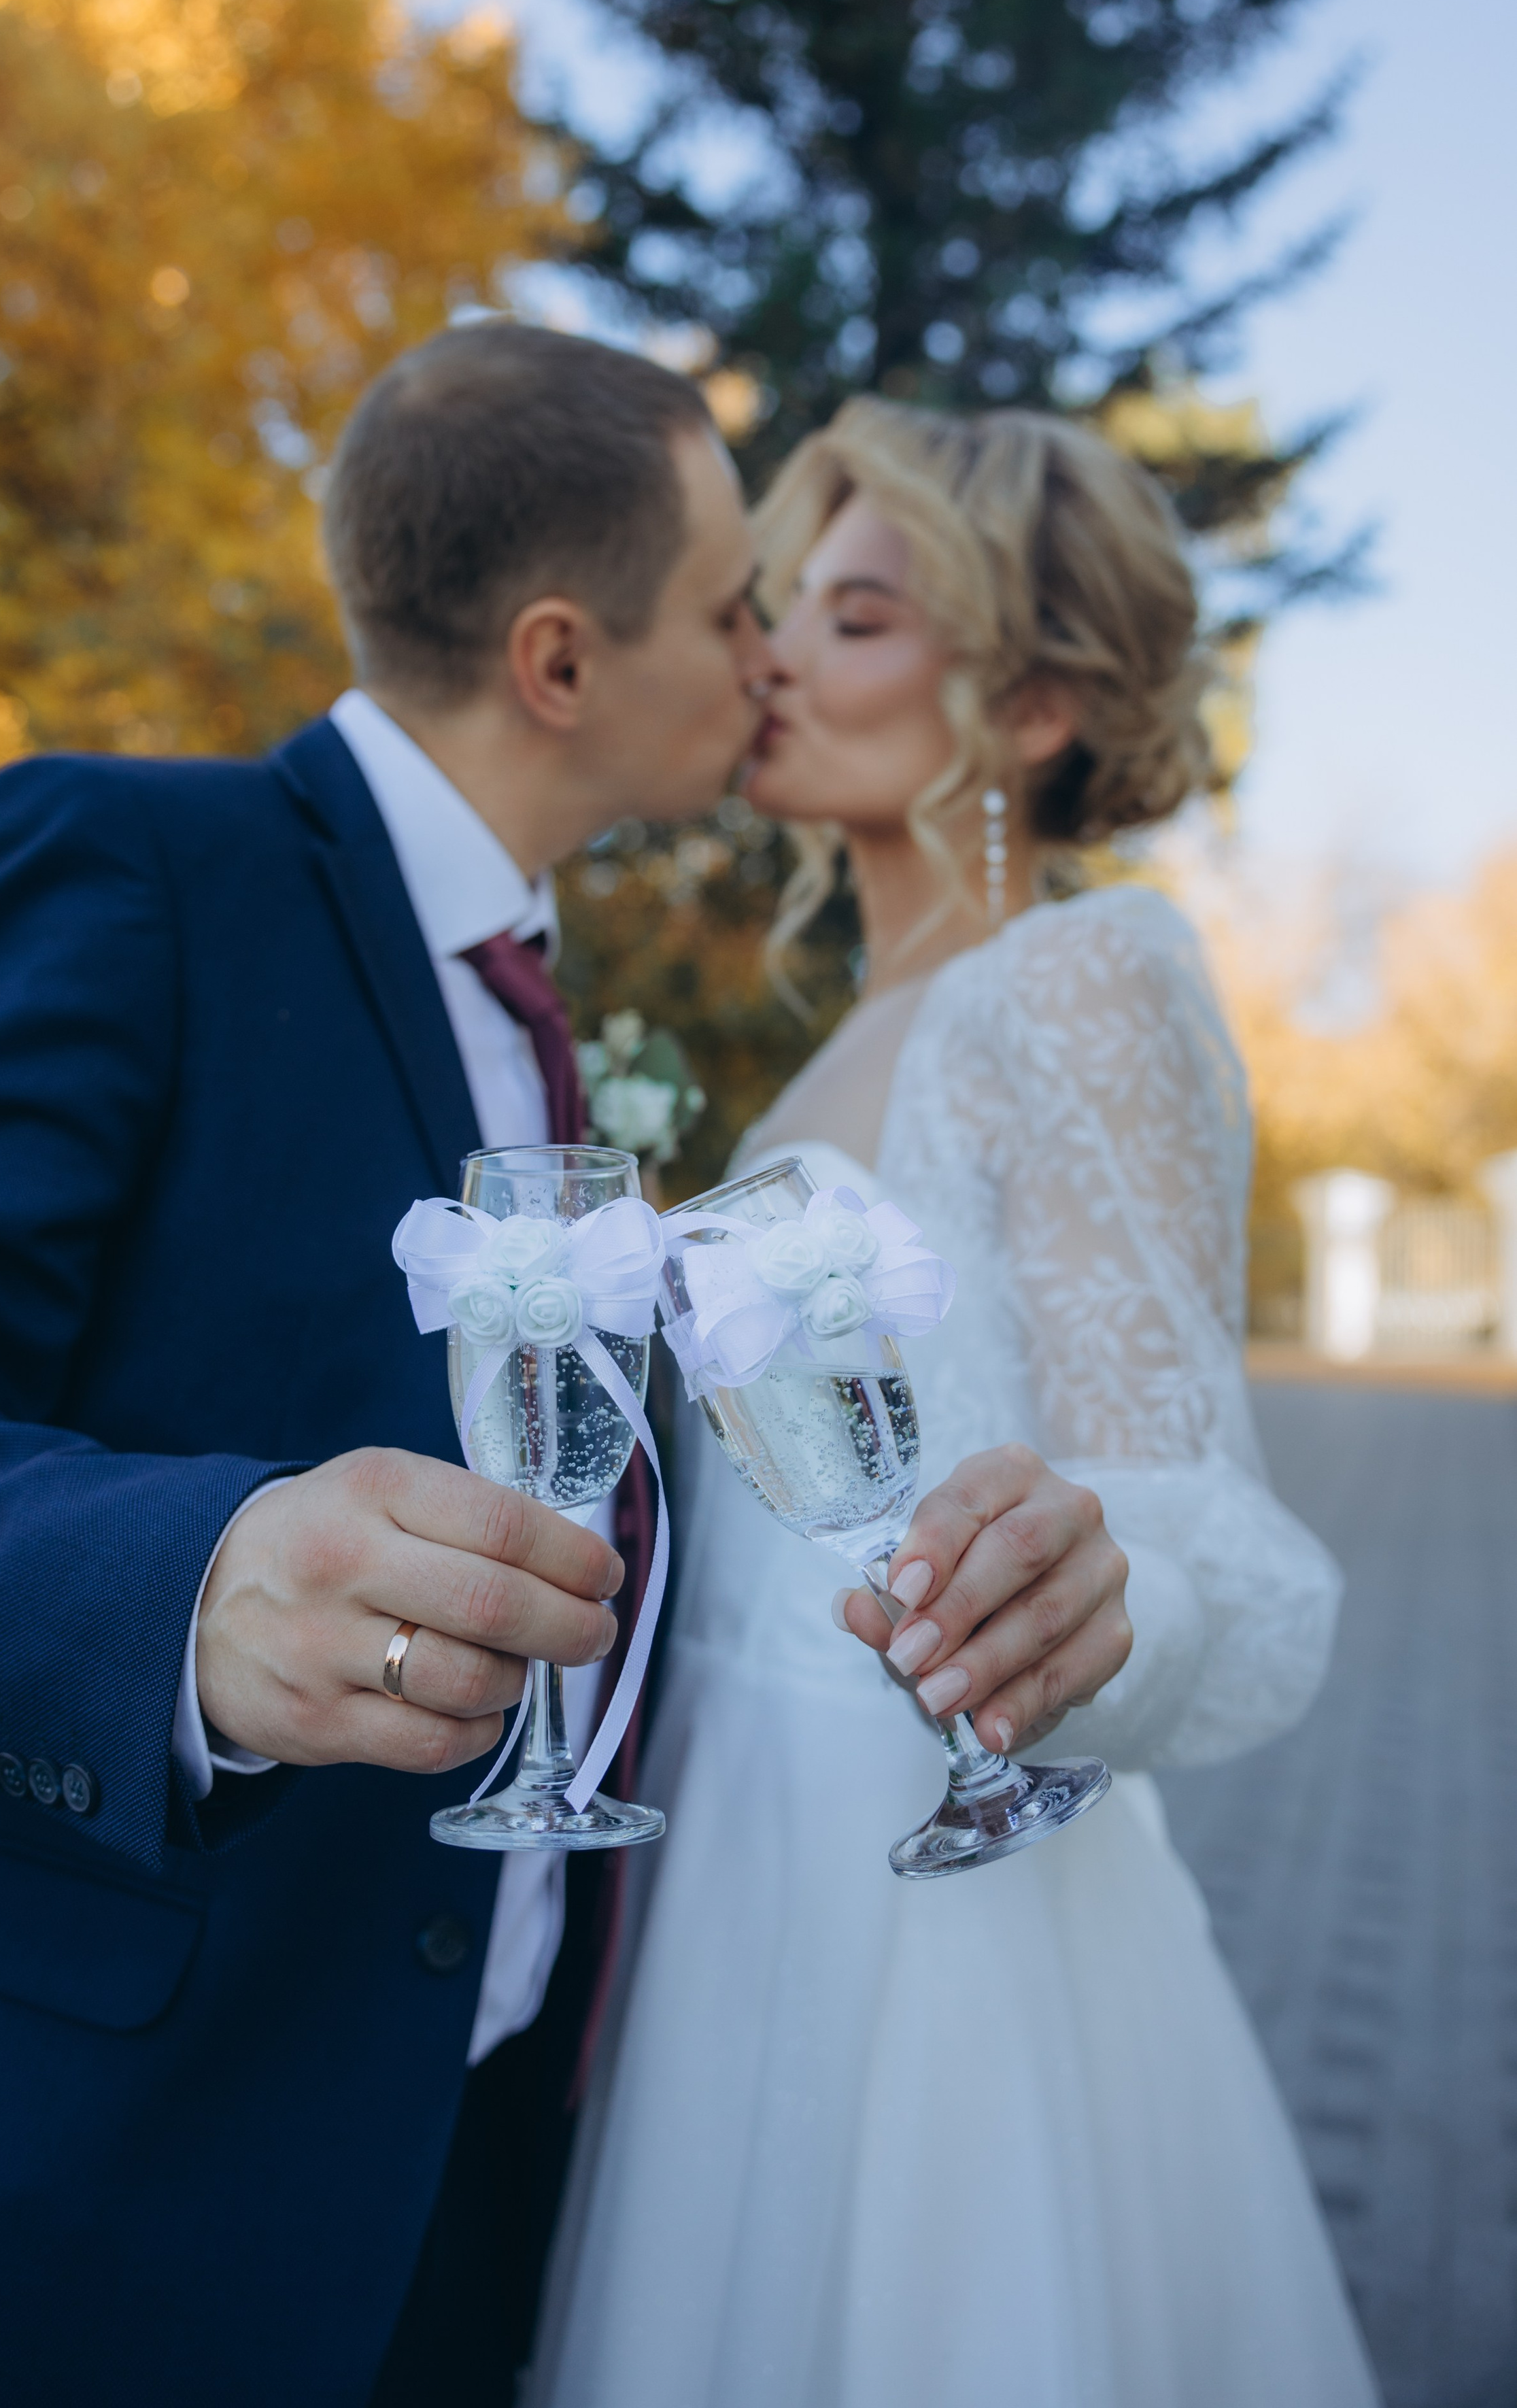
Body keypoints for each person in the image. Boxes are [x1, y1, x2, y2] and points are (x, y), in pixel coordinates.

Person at [0, 327, 1127, 2407]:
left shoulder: (543, 1004)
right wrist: (195, 1588)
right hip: (71, 2179)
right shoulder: (130, 865)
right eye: (732, 604)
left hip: (470, 2183)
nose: (766, 652)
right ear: (563, 663)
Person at [528, 401, 1382, 2408]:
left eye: (860, 618)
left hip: (930, 1905)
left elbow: (1212, 1546)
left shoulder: (1077, 984)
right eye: (781, 610)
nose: (780, 659)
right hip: (733, 1851)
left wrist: (1093, 1614)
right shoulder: (867, 1027)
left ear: (1033, 707)